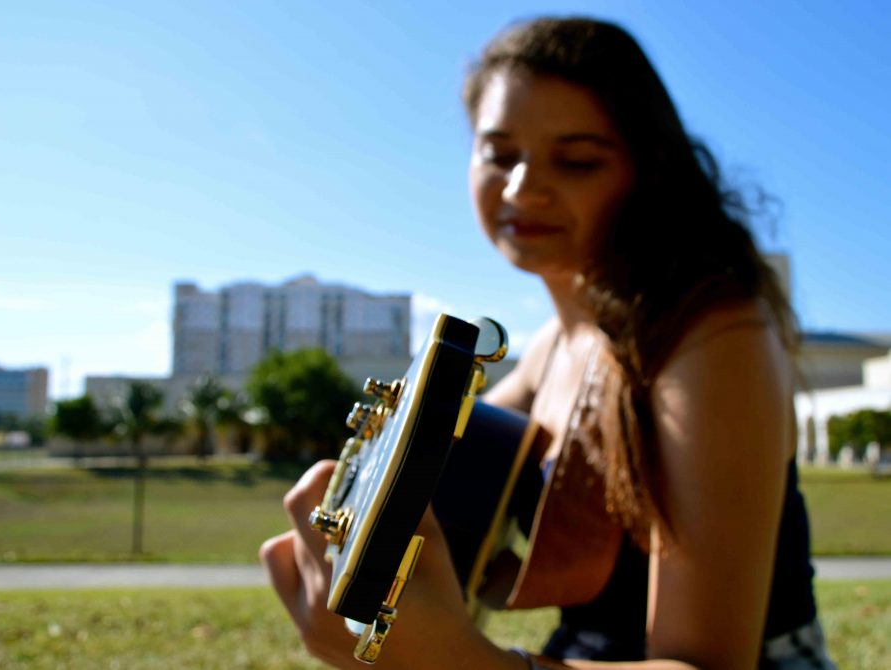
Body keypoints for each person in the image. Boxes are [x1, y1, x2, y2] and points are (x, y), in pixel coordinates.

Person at [260, 16, 836, 670]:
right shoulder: (549, 351)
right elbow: (435, 469)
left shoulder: (710, 335)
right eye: (498, 153)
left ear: (649, 171)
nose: (521, 187)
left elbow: (708, 664)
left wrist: (457, 659)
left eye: (578, 159)